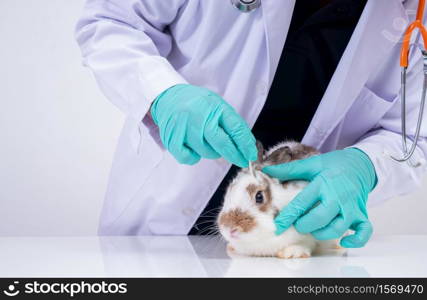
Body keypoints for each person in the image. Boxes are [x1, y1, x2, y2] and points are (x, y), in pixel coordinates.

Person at [75, 0, 427, 247]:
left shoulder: (416, 14)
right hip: (158, 225)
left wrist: (365, 166)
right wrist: (162, 94)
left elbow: (412, 137)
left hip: (292, 242)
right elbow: (111, 23)